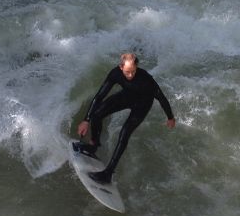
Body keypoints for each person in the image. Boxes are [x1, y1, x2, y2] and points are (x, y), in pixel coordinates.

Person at [75, 52, 176, 184]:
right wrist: (86, 120)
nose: (130, 75)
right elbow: (99, 96)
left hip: (142, 104)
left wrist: (170, 117)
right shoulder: (115, 74)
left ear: (137, 67)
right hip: (127, 96)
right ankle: (94, 145)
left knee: (124, 133)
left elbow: (161, 98)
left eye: (133, 71)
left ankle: (108, 173)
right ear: (121, 67)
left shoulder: (145, 79)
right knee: (96, 115)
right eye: (127, 72)